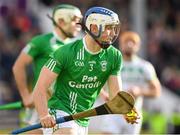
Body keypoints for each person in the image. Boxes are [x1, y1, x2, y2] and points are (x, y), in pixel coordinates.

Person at [33, 7, 139, 135]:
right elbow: (40, 87)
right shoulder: (65, 52)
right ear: (93, 28)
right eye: (108, 28)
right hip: (60, 113)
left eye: (114, 28)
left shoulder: (114, 56)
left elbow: (115, 95)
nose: (112, 33)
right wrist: (44, 115)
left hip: (83, 120)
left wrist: (127, 111)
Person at [12, 4, 82, 134]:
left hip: (62, 106)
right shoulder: (41, 41)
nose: (79, 25)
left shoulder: (76, 48)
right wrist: (26, 96)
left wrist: (102, 94)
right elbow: (18, 66)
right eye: (75, 20)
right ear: (61, 21)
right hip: (40, 103)